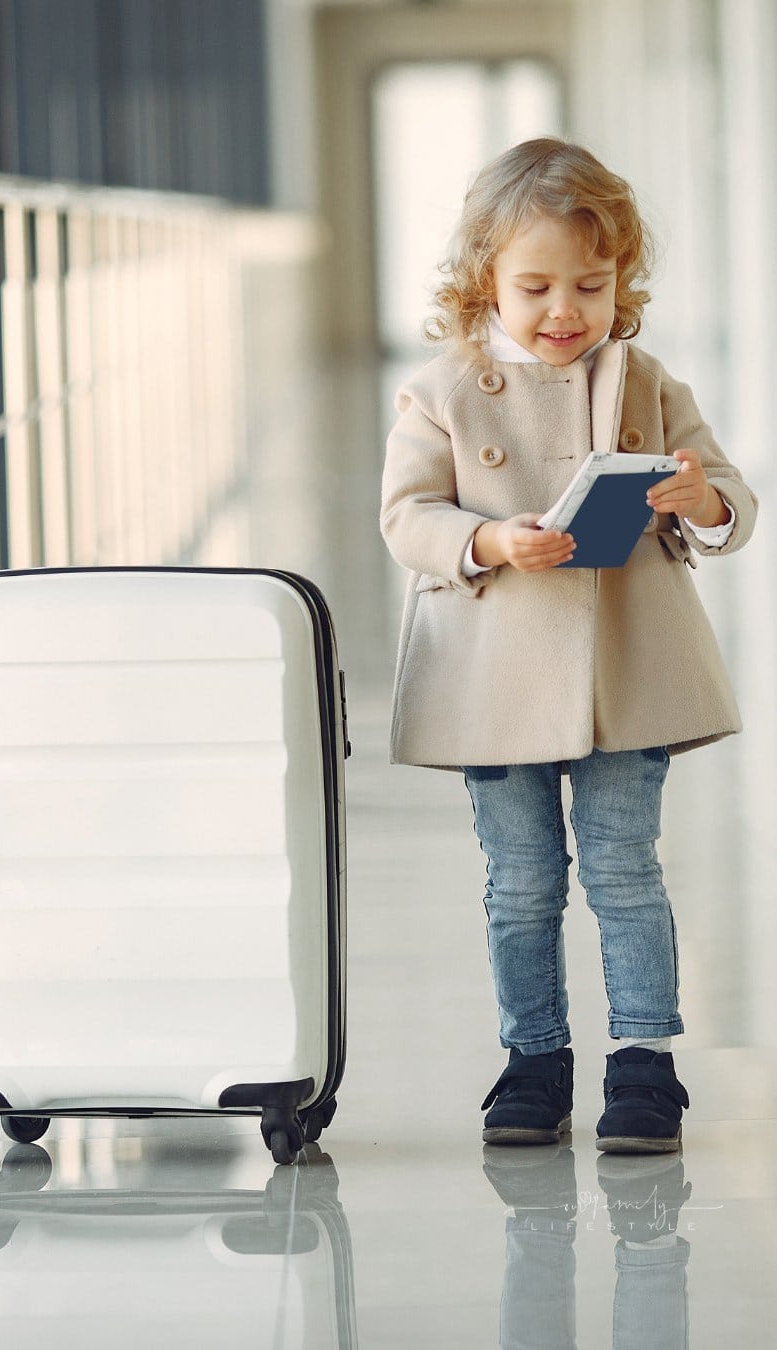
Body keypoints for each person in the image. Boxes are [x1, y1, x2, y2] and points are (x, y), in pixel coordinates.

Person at [379, 137, 758, 1153]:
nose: (564, 312)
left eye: (589, 285)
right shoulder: (442, 391)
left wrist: (702, 498)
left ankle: (645, 1064)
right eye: (536, 286)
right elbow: (406, 516)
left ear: (619, 283)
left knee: (625, 868)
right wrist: (488, 539)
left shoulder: (645, 378)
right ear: (482, 285)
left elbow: (731, 501)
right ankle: (534, 1059)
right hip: (493, 673)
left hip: (623, 669)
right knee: (522, 880)